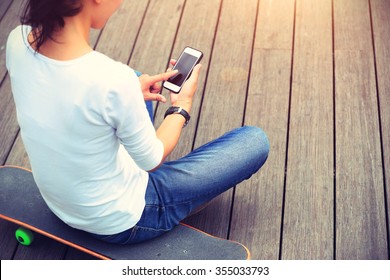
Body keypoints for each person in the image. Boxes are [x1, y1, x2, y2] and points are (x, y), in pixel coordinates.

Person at [6, 0, 269, 244]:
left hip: (60, 200)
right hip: (122, 219)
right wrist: (181, 107)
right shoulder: (111, 81)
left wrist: (129, 91)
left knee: (134, 77)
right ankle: (182, 204)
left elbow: (67, 93)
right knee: (254, 142)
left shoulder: (17, 40)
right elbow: (151, 161)